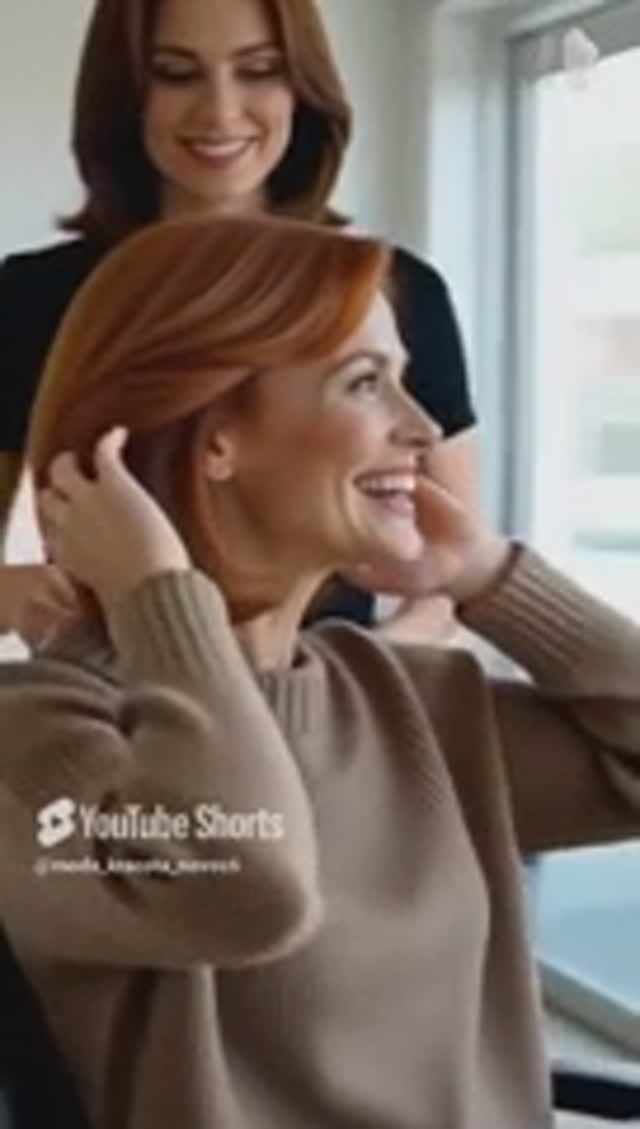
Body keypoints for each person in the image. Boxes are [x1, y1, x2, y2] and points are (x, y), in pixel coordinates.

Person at [1, 213, 639, 1129]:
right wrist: (157, 595)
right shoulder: (39, 741)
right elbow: (249, 888)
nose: (422, 427)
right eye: (366, 383)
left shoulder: (401, 701)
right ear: (215, 436)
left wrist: (494, 577)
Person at [0, 0, 479, 648]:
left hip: (324, 694)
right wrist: (20, 593)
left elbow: (449, 567)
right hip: (111, 694)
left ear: (301, 87)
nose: (220, 111)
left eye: (257, 71)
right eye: (177, 74)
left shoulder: (393, 293)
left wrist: (351, 678)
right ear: (127, 92)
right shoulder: (31, 298)